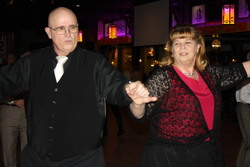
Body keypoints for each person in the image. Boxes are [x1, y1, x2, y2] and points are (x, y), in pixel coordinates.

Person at [0, 7, 155, 167]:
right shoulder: (33, 62)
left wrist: (131, 93)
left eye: (72, 27)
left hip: (82, 160)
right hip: (36, 159)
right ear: (48, 32)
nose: (68, 34)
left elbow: (117, 87)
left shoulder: (95, 63)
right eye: (60, 28)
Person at [129, 24, 250, 167]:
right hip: (170, 155)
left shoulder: (209, 74)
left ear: (198, 47)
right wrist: (137, 104)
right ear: (171, 50)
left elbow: (240, 70)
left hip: (206, 150)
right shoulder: (164, 76)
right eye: (177, 43)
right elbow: (140, 114)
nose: (182, 47)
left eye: (188, 42)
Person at [0, 52, 27, 167]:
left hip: (27, 114)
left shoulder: (36, 75)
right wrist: (14, 101)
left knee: (28, 149)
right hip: (9, 111)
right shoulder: (5, 73)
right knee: (9, 148)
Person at [235, 51, 250, 167]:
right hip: (245, 108)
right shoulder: (244, 73)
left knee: (246, 141)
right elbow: (242, 97)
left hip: (245, 107)